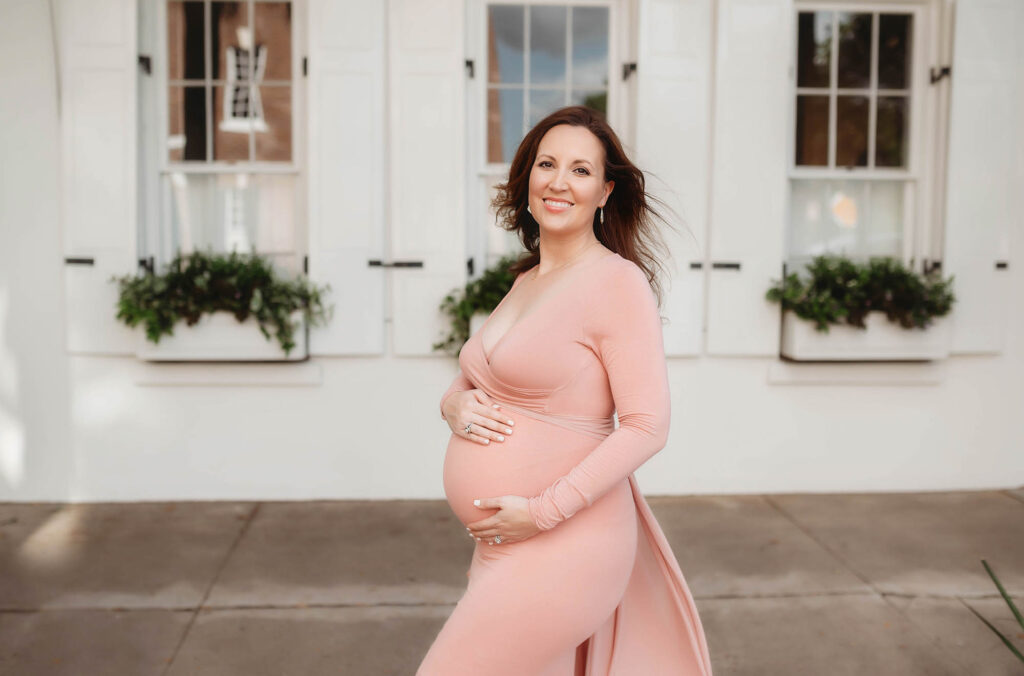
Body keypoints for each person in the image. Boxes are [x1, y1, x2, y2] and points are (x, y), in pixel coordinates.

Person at [418, 106, 713, 675]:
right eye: (547, 163)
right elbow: (479, 374)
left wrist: (542, 512)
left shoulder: (616, 283)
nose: (559, 181)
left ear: (604, 192)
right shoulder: (527, 280)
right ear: (527, 177)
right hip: (504, 543)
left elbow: (648, 425)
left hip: (565, 542)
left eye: (580, 171)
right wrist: (451, 402)